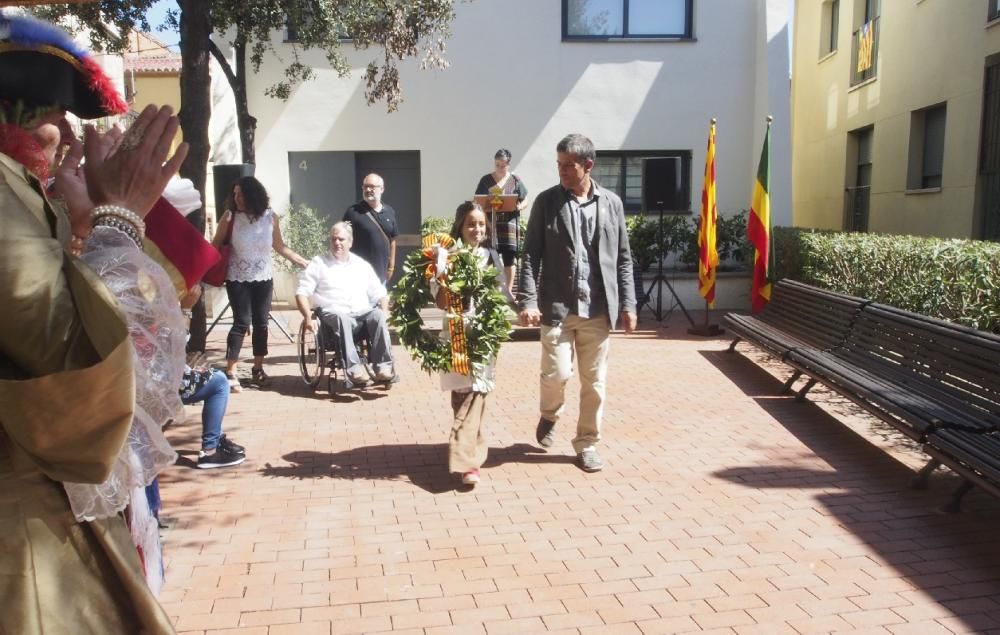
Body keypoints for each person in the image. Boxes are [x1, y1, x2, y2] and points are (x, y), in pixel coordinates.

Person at [0, 13, 188, 633]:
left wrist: (101, 216)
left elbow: (169, 307)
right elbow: (85, 365)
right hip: (27, 538)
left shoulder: (27, 190)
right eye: (58, 116)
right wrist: (117, 217)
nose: (76, 144)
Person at [518, 133, 637, 473]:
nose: (562, 172)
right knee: (556, 373)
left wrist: (628, 304)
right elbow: (531, 256)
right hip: (556, 306)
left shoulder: (611, 203)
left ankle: (587, 443)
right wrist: (527, 300)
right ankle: (549, 414)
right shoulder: (546, 202)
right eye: (559, 165)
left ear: (588, 165)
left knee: (594, 382)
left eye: (569, 166)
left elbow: (624, 259)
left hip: (597, 309)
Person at [432, 201, 515, 487]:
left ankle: (466, 461)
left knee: (477, 391)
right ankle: (469, 455)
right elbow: (441, 302)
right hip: (456, 329)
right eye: (471, 224)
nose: (476, 229)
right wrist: (442, 275)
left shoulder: (492, 256)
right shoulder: (448, 256)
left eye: (481, 224)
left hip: (484, 334)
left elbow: (501, 295)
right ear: (460, 227)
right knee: (462, 392)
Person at [212, 176, 309, 390]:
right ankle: (231, 372)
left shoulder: (270, 217)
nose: (236, 198)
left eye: (241, 194)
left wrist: (303, 261)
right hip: (237, 278)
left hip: (263, 278)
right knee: (241, 322)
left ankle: (258, 368)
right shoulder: (230, 218)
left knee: (262, 324)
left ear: (253, 195)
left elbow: (280, 246)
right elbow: (215, 244)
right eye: (234, 194)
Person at [295, 221, 396, 386]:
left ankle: (383, 367)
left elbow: (380, 293)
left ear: (350, 242)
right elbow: (301, 292)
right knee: (343, 317)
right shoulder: (319, 263)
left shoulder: (361, 265)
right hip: (333, 314)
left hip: (361, 313)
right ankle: (354, 369)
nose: (337, 243)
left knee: (378, 315)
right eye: (333, 239)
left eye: (341, 239)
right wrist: (307, 317)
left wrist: (385, 312)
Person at [180, 287, 246, 469]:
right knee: (219, 381)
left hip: (142, 383)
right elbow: (176, 340)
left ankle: (216, 437)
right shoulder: (150, 314)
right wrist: (185, 308)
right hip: (163, 386)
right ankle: (209, 451)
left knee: (208, 375)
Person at [475, 148, 528, 295]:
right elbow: (477, 199)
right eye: (497, 164)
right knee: (490, 256)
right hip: (491, 224)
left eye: (502, 165)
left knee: (509, 258)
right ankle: (491, 292)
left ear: (508, 164)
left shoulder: (515, 180)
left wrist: (519, 205)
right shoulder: (486, 180)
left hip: (509, 225)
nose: (499, 168)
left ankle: (508, 292)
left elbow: (525, 199)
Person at [343, 172, 399, 283]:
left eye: (372, 186)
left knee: (380, 300)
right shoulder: (352, 212)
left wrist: (391, 267)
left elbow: (393, 240)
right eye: (365, 186)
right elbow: (343, 238)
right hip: (358, 275)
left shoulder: (389, 211)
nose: (368, 190)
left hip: (381, 274)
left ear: (381, 189)